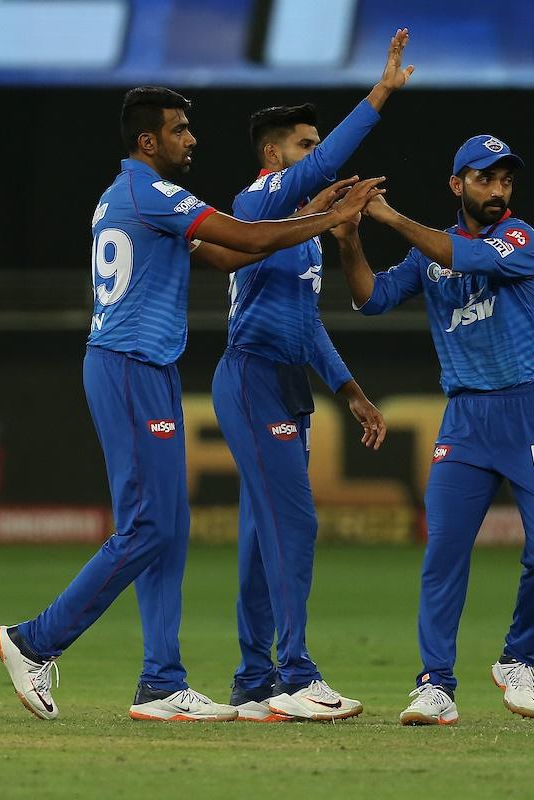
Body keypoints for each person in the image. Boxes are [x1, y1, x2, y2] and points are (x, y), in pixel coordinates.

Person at [0, 85, 384, 722]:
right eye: (179, 130)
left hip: (146, 369)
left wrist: (310, 219)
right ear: (147, 142)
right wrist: (326, 219)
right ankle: (34, 641)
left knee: (167, 531)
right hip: (128, 367)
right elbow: (246, 239)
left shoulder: (128, 197)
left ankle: (160, 683)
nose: (191, 139)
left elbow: (227, 253)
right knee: (150, 526)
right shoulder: (151, 192)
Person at [333, 135, 534, 725]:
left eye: (505, 181)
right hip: (466, 419)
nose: (497, 191)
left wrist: (387, 215)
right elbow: (371, 299)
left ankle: (518, 657)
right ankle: (435, 684)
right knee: (443, 550)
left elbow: (466, 258)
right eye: (483, 179)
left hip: (533, 410)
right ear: (457, 185)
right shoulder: (426, 258)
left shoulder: (521, 238)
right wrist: (350, 240)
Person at [210, 29, 413, 723]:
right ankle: (295, 676)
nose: (313, 156)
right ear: (275, 155)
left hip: (286, 387)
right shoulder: (259, 199)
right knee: (293, 529)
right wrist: (381, 94)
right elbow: (325, 164)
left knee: (263, 539)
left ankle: (253, 682)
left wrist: (351, 392)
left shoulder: (298, 235)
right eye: (304, 145)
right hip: (251, 378)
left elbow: (306, 324)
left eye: (312, 145)